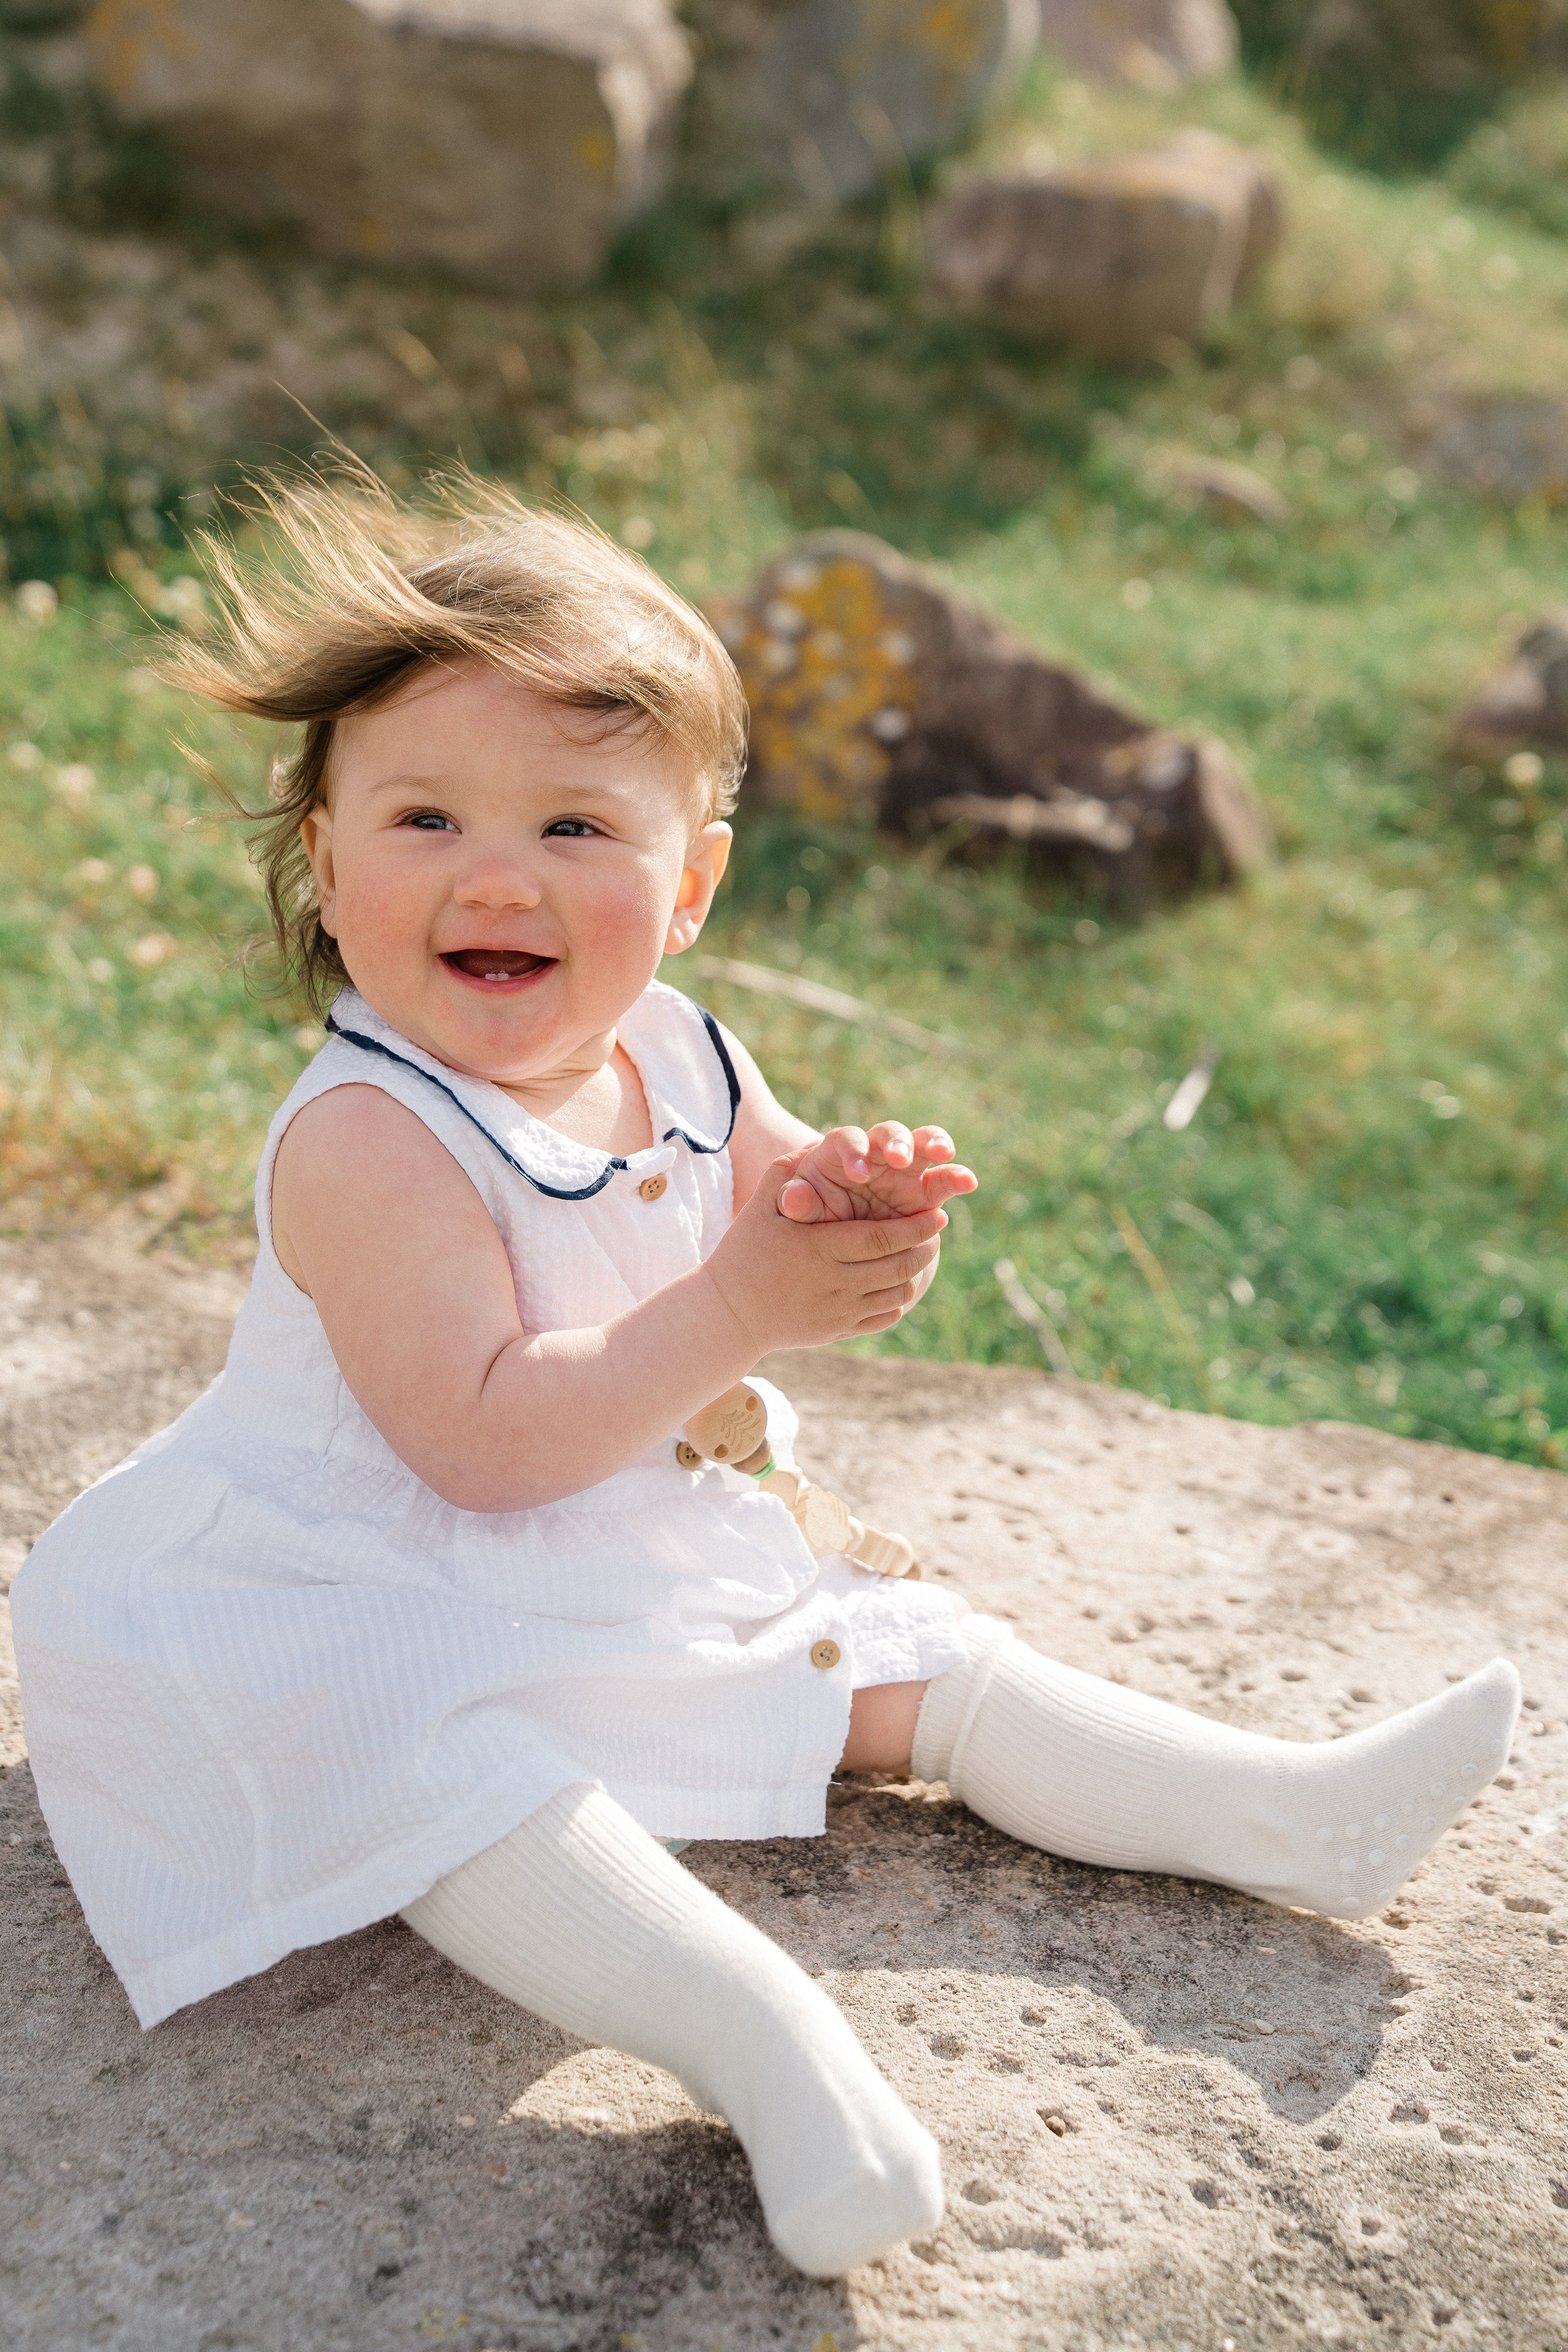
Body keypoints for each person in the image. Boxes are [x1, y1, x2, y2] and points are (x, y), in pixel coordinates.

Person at [10, 477, 1520, 2280]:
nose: (499, 875)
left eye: (579, 825)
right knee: (472, 1791)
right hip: (360, 1596)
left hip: (610, 1555)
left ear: (694, 884)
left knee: (926, 1664)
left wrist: (854, 1211)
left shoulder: (674, 1046)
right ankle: (772, 2050)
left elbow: (774, 1212)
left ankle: (1281, 1809)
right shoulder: (368, 1138)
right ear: (331, 869)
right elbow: (486, 1446)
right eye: (425, 817)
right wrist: (743, 1300)